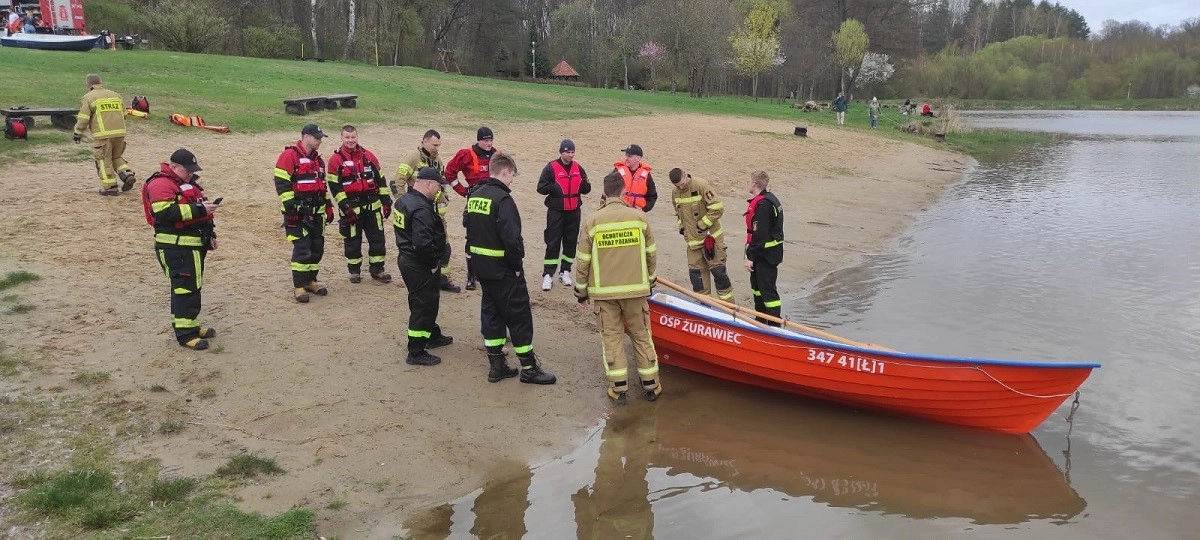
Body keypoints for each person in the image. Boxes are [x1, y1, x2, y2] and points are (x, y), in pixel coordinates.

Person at [462, 151, 556, 385]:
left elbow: (468, 226)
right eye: (512, 175)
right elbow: (512, 239)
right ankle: (528, 367)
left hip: (482, 268)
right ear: (504, 172)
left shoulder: (475, 196)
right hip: (504, 271)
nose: (512, 180)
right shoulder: (503, 200)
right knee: (519, 317)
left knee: (492, 315)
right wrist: (516, 266)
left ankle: (497, 365)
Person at [574, 172, 660, 403]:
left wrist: (580, 292)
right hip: (636, 291)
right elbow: (651, 255)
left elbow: (583, 260)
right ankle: (651, 386)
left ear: (604, 193)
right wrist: (650, 281)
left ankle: (619, 388)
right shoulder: (639, 218)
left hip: (605, 294)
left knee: (611, 339)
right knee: (641, 336)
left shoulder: (592, 221)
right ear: (624, 192)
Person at [141, 149, 218, 350]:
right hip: (175, 247)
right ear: (173, 167)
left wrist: (210, 234)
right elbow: (165, 213)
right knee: (185, 289)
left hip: (191, 245)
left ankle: (190, 325)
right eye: (187, 171)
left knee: (192, 287)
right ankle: (185, 335)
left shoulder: (184, 183)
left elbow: (197, 209)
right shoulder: (160, 184)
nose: (191, 174)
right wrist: (200, 209)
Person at [394, 167, 456, 366]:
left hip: (407, 258)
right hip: (419, 264)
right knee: (424, 305)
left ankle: (432, 334)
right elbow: (423, 244)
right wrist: (432, 263)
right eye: (438, 186)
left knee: (423, 301)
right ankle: (416, 350)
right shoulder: (421, 208)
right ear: (429, 183)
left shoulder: (404, 200)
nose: (439, 191)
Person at [326, 125, 392, 284]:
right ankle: (354, 271)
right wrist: (346, 208)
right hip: (351, 210)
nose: (350, 140)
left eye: (353, 137)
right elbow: (335, 188)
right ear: (341, 138)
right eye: (347, 137)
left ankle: (377, 269)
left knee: (377, 239)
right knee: (352, 241)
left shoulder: (369, 156)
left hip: (372, 207)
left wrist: (386, 202)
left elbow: (381, 180)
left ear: (357, 137)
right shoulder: (336, 160)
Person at [395, 129, 460, 293]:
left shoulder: (437, 159)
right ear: (424, 141)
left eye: (438, 145)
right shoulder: (412, 158)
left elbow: (441, 182)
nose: (436, 148)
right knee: (423, 247)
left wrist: (443, 197)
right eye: (434, 145)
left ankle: (442, 279)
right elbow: (397, 182)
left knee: (444, 248)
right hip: (419, 214)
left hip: (436, 215)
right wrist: (405, 203)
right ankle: (427, 278)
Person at [274, 124, 332, 303]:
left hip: (317, 213)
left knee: (317, 248)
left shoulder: (318, 160)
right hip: (297, 215)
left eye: (321, 137)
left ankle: (310, 281)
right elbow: (282, 184)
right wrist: (294, 207)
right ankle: (299, 286)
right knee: (302, 249)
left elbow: (322, 185)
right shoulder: (289, 156)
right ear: (306, 137)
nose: (320, 140)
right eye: (317, 137)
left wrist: (328, 205)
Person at [445, 126, 499, 290]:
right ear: (478, 140)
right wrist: (463, 191)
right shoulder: (466, 154)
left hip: (493, 200)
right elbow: (449, 173)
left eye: (490, 140)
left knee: (494, 235)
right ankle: (471, 276)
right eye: (485, 140)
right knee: (473, 237)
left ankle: (489, 272)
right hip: (475, 200)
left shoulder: (497, 155)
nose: (489, 143)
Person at [669, 168, 733, 303]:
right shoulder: (675, 193)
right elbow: (678, 213)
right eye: (677, 185)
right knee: (697, 280)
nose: (681, 187)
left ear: (686, 175)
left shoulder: (702, 186)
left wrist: (702, 225)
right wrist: (682, 228)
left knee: (719, 275)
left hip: (711, 241)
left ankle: (730, 311)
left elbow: (717, 208)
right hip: (692, 245)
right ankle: (705, 309)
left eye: (682, 183)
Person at [536, 139, 591, 291]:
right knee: (553, 242)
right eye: (567, 152)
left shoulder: (578, 168)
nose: (570, 155)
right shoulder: (551, 168)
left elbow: (587, 188)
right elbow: (540, 188)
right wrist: (554, 187)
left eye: (572, 152)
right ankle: (548, 274)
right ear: (561, 152)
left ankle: (565, 271)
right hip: (556, 212)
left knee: (571, 242)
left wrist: (582, 185)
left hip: (573, 211)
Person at [73, 74, 136, 196]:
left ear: (88, 84)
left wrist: (77, 134)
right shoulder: (115, 95)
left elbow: (83, 118)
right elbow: (124, 114)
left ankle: (110, 187)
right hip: (120, 132)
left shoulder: (88, 97)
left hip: (102, 135)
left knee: (103, 160)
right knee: (116, 157)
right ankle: (127, 174)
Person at [743, 170, 784, 326]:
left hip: (765, 256)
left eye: (748, 181)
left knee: (768, 292)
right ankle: (760, 321)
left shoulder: (763, 205)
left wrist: (750, 258)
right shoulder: (770, 200)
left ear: (754, 184)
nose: (747, 184)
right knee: (757, 290)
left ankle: (774, 326)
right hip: (766, 253)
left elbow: (760, 235)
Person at [612, 144, 657, 212]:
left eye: (629, 156)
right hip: (619, 211)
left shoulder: (646, 175)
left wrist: (644, 209)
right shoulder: (618, 171)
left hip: (636, 213)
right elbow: (608, 190)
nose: (626, 158)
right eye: (626, 155)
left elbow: (652, 196)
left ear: (638, 158)